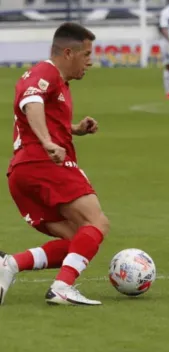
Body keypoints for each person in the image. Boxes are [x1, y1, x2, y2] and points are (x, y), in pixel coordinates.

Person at [0, 22, 110, 306]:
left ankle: (10, 264)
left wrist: (74, 129)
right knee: (96, 222)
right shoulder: (45, 72)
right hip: (42, 165)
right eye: (86, 54)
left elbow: (37, 111)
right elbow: (31, 102)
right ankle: (62, 287)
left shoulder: (57, 81)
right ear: (69, 52)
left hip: (23, 173)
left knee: (78, 239)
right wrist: (48, 142)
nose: (90, 61)